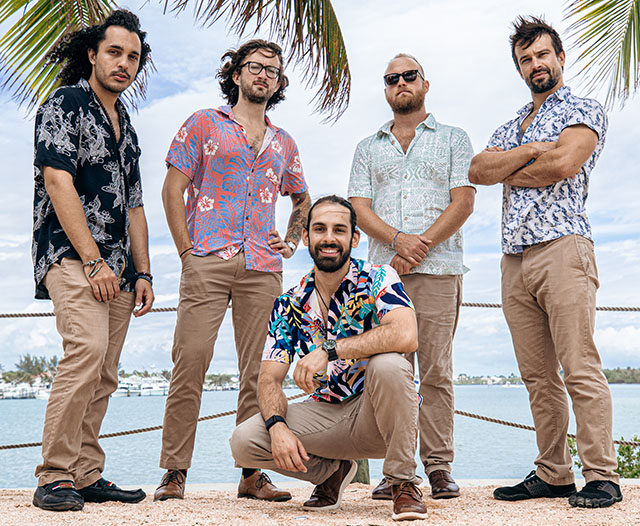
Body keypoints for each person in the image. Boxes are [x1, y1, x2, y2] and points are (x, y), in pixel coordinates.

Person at [468, 16, 621, 508]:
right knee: (537, 375)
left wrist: (514, 164)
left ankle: (602, 475)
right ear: (519, 67)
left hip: (564, 248)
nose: (535, 64)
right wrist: (532, 149)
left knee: (579, 367)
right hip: (514, 260)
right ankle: (553, 472)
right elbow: (478, 169)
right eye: (525, 59)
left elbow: (563, 164)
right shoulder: (514, 123)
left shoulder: (583, 108)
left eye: (541, 55)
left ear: (559, 56)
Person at [154, 39, 310, 502]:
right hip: (207, 260)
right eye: (255, 67)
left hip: (263, 266)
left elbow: (301, 197)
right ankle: (174, 470)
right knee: (191, 362)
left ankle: (252, 473)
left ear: (279, 84)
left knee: (259, 372)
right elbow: (172, 189)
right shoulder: (203, 123)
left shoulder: (285, 142)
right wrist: (187, 253)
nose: (264, 75)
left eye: (273, 71)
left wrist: (294, 239)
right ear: (237, 74)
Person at [230, 195, 429, 521]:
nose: (328, 238)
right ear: (306, 237)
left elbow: (406, 336)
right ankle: (330, 474)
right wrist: (277, 426)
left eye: (339, 229)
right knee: (245, 441)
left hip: (380, 417)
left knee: (390, 363)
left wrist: (330, 349)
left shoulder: (379, 278)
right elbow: (268, 378)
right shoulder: (288, 303)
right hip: (326, 416)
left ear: (354, 238)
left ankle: (403, 483)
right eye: (320, 229)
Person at [31, 9, 154, 512]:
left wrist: (142, 271)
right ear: (92, 54)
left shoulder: (126, 124)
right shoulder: (65, 104)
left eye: (133, 57)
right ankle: (54, 476)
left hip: (121, 268)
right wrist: (93, 261)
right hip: (71, 256)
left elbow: (137, 205)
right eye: (115, 52)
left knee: (104, 372)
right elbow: (57, 180)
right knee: (85, 356)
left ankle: (85, 473)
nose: (124, 63)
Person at [348, 54, 475, 500]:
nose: (400, 82)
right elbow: (360, 210)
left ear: (425, 83)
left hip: (440, 270)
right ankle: (395, 470)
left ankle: (439, 466)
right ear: (385, 90)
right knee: (387, 371)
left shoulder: (455, 139)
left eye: (408, 75)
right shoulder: (368, 147)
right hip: (383, 278)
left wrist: (419, 246)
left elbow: (462, 202)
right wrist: (400, 242)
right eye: (391, 78)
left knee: (437, 370)